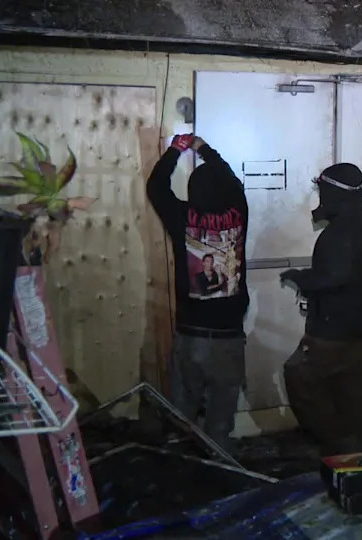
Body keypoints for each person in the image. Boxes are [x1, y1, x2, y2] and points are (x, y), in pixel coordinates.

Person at [147, 133, 248, 453]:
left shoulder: (181, 217)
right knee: (221, 416)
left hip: (190, 334)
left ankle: (183, 466)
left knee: (183, 409)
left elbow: (156, 186)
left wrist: (176, 150)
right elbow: (230, 177)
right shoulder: (239, 213)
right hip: (229, 336)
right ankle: (220, 467)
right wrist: (203, 148)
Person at [279, 163, 362, 456]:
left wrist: (299, 277)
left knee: (299, 375)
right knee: (350, 390)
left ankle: (333, 444)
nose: (320, 199)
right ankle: (352, 452)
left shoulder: (343, 229)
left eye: (322, 191)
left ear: (334, 193)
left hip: (333, 331)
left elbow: (334, 277)